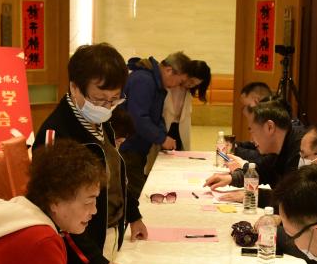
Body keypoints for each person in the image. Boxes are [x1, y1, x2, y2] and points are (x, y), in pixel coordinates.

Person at [34, 43, 146, 264]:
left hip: (106, 238)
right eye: (99, 99)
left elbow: (114, 171)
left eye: (114, 100)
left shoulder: (98, 120)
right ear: (75, 87)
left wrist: (133, 214)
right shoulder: (57, 134)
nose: (107, 107)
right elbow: (57, 216)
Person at [119, 52, 208, 201]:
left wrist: (164, 135)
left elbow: (156, 117)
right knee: (137, 197)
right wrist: (161, 138)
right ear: (169, 70)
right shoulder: (144, 80)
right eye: (180, 81)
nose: (178, 86)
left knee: (136, 194)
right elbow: (138, 118)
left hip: (137, 147)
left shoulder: (155, 83)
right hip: (127, 146)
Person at [204, 99, 301, 206]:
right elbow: (262, 171)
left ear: (270, 127)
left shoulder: (300, 148)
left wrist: (252, 194)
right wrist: (231, 178)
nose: (251, 139)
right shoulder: (280, 144)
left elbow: (293, 199)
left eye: (253, 131)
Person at [162, 59, 211, 151]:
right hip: (162, 128)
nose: (191, 85)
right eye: (191, 81)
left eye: (195, 84)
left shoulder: (188, 92)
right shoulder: (169, 85)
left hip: (180, 130)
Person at [234, 81, 273, 163]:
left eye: (246, 106)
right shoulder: (263, 118)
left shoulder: (272, 120)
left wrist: (235, 150)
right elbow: (255, 145)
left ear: (257, 101)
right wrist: (235, 145)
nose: (244, 111)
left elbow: (264, 157)